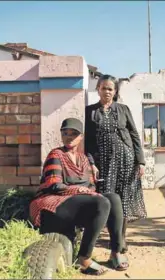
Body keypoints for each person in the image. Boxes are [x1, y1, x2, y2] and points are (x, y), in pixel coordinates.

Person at [29, 118, 129, 275]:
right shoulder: (56, 155)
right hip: (52, 202)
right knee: (101, 202)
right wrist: (81, 191)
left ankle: (116, 251)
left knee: (113, 198)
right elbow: (55, 185)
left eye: (74, 134)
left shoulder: (83, 159)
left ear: (81, 137)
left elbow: (90, 187)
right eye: (65, 133)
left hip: (74, 203)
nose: (69, 137)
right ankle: (83, 258)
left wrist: (87, 191)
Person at [85, 74, 147, 253]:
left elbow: (134, 135)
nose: (107, 92)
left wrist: (140, 161)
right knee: (107, 200)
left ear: (115, 91)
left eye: (110, 89)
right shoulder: (90, 111)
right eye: (103, 88)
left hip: (126, 161)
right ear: (98, 89)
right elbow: (88, 141)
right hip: (103, 163)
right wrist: (91, 163)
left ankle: (120, 240)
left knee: (124, 200)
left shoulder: (123, 109)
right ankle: (112, 236)